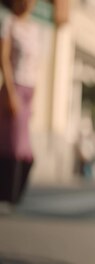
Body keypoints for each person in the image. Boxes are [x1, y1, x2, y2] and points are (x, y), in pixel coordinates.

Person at [0, 0, 40, 206]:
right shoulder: (9, 23)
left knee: (26, 150)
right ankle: (7, 196)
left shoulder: (35, 28)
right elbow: (4, 59)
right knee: (12, 146)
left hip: (29, 90)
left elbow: (35, 64)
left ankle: (13, 197)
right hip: (13, 86)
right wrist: (9, 91)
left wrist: (34, 96)